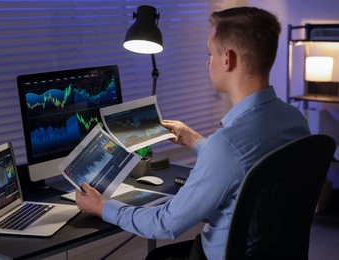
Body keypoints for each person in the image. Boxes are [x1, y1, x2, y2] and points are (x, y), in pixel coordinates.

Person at [75, 6, 311, 259]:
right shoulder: (295, 121)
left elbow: (167, 223)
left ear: (228, 59)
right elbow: (244, 162)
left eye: (210, 53)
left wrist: (103, 208)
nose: (208, 61)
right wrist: (196, 141)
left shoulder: (227, 146)